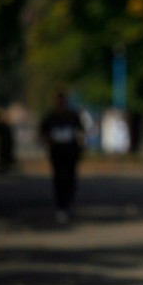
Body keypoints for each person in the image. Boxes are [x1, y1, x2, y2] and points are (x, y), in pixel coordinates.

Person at [39, 91, 85, 224]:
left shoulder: (72, 116)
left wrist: (80, 147)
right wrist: (48, 143)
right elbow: (43, 132)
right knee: (59, 178)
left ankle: (68, 200)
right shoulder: (51, 117)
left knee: (70, 177)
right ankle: (61, 204)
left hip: (71, 152)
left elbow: (81, 132)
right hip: (57, 153)